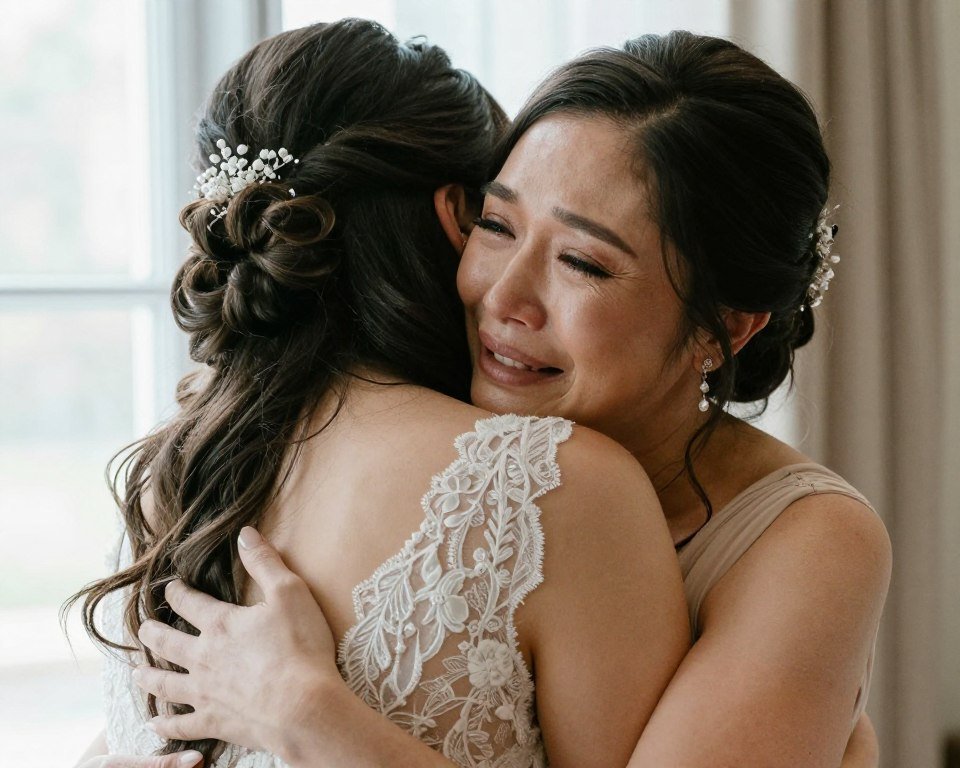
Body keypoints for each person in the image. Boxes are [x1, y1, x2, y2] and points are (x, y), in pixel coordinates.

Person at [128, 30, 891, 768]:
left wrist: (309, 717)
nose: (503, 296)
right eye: (495, 225)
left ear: (723, 326)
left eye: (584, 263)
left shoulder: (813, 540)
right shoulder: (455, 455)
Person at [67, 18, 691, 768]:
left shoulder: (169, 470)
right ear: (454, 215)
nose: (509, 288)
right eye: (496, 222)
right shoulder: (557, 487)